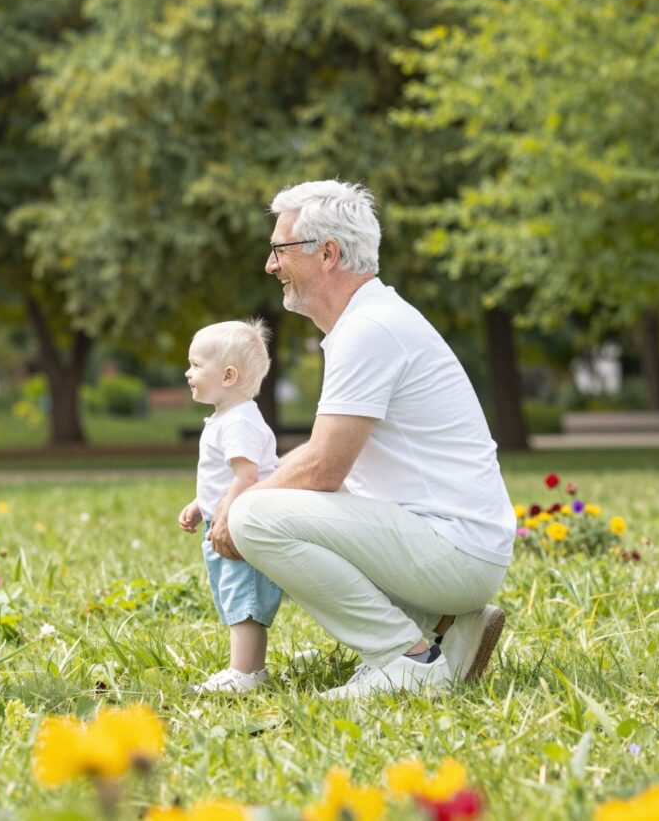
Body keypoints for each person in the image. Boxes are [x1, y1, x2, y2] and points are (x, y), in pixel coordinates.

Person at [209, 180, 512, 699]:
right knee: (273, 502)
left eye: (280, 249)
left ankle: (406, 659)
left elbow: (324, 468)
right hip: (457, 546)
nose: (270, 264)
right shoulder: (370, 320)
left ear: (327, 253)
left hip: (455, 551)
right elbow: (331, 464)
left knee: (255, 517)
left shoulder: (369, 328)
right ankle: (444, 626)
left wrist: (239, 505)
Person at [177, 320, 285, 693]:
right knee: (235, 597)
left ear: (228, 375)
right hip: (224, 521)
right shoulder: (229, 418)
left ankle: (245, 673)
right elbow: (227, 477)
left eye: (195, 365)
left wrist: (222, 515)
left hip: (239, 527)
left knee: (245, 599)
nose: (188, 373)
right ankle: (250, 670)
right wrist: (202, 504)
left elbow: (247, 476)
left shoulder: (238, 422)